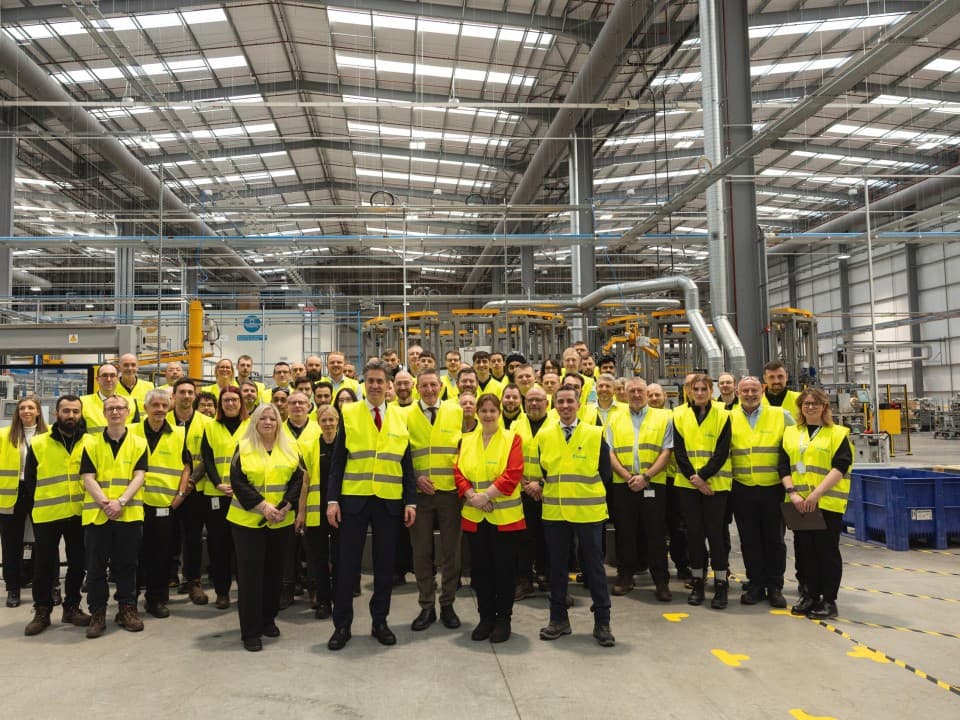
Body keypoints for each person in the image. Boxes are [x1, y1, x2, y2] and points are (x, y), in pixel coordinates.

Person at [325, 359, 417, 651]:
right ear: (363, 384)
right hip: (354, 501)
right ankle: (342, 625)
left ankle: (380, 621)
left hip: (389, 502)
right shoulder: (349, 412)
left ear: (389, 385)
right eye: (371, 381)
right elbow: (338, 461)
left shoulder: (401, 417)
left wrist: (410, 501)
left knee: (385, 565)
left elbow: (407, 464)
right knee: (347, 566)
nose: (375, 386)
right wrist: (332, 500)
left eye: (380, 381)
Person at [536, 386, 615, 648]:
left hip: (587, 511)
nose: (565, 406)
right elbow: (544, 471)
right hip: (555, 511)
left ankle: (602, 621)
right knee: (557, 568)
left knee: (593, 568)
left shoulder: (595, 433)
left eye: (570, 401)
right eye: (560, 401)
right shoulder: (545, 436)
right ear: (554, 405)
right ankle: (558, 619)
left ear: (579, 404)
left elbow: (605, 473)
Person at [227, 403, 303, 651]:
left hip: (281, 521)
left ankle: (268, 620)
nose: (268, 422)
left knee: (274, 575)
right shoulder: (244, 447)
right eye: (263, 418)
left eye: (272, 418)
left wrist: (286, 506)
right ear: (255, 422)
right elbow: (237, 482)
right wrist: (262, 507)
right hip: (248, 523)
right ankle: (250, 631)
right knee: (250, 578)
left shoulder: (291, 448)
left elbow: (298, 478)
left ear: (279, 422)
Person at [454, 394, 524, 643]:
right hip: (475, 517)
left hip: (505, 518)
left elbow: (512, 474)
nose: (488, 415)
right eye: (483, 410)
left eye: (493, 410)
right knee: (481, 572)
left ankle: (503, 619)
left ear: (499, 412)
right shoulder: (467, 440)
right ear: (477, 413)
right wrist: (472, 495)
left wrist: (484, 496)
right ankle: (485, 618)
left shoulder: (511, 439)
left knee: (504, 571)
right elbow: (459, 472)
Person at [780, 388, 853, 620]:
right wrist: (793, 493)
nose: (810, 407)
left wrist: (816, 494)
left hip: (826, 503)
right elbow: (784, 466)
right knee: (804, 551)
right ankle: (809, 595)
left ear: (824, 406)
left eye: (815, 403)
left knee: (826, 552)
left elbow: (840, 467)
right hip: (799, 503)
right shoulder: (790, 432)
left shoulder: (838, 433)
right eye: (805, 403)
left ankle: (829, 600)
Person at [79, 395, 149, 638]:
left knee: (127, 566)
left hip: (128, 515)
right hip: (98, 516)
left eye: (120, 408)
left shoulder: (139, 443)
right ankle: (98, 613)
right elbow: (88, 477)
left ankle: (127, 609)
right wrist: (105, 503)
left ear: (128, 412)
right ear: (103, 412)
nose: (115, 412)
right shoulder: (91, 443)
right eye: (111, 408)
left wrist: (120, 502)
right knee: (95, 568)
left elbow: (139, 476)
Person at [22, 396, 90, 635]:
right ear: (56, 414)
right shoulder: (39, 443)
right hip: (47, 514)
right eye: (66, 411)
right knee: (44, 566)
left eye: (75, 411)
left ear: (81, 414)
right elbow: (30, 480)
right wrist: (37, 505)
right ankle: (42, 610)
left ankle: (72, 607)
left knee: (78, 564)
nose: (70, 415)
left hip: (79, 513)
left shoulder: (91, 442)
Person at [406, 369, 464, 633]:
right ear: (417, 388)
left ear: (441, 386)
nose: (429, 390)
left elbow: (465, 449)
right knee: (421, 553)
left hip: (450, 494)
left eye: (433, 385)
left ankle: (448, 603)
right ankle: (427, 605)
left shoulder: (456, 412)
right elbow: (402, 455)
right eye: (424, 386)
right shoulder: (406, 415)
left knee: (451, 551)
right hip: (420, 496)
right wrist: (416, 477)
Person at [608, 378, 674, 601]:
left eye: (640, 390)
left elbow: (667, 452)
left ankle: (661, 581)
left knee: (655, 534)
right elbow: (610, 453)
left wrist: (645, 477)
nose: (636, 394)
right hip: (623, 484)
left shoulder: (664, 417)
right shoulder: (614, 418)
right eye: (631, 391)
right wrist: (628, 477)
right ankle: (625, 576)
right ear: (625, 394)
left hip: (653, 483)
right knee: (625, 533)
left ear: (646, 393)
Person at [731, 376, 793, 608]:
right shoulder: (729, 418)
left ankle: (775, 586)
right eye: (745, 390)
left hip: (773, 488)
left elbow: (793, 448)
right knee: (749, 540)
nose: (749, 394)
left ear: (762, 390)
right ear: (738, 393)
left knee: (775, 540)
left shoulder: (780, 416)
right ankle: (755, 583)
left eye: (754, 390)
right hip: (742, 488)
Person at [673, 374, 732, 609]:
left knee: (716, 536)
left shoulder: (724, 415)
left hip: (716, 486)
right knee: (694, 535)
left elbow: (722, 451)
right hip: (689, 486)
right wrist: (695, 480)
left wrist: (703, 476)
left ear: (711, 390)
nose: (699, 393)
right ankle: (697, 582)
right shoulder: (678, 415)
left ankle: (720, 585)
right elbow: (679, 451)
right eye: (695, 389)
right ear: (689, 391)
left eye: (704, 389)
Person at [133, 390, 192, 619]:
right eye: (155, 405)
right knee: (133, 555)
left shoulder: (178, 433)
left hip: (163, 504)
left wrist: (180, 494)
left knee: (160, 556)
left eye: (164, 405)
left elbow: (186, 465)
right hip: (135, 503)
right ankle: (130, 600)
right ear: (146, 408)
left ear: (169, 408)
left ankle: (156, 599)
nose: (159, 409)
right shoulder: (133, 431)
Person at [200, 386, 249, 609]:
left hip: (244, 496)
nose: (230, 404)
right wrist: (218, 483)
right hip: (216, 494)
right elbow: (207, 459)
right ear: (220, 404)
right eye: (226, 400)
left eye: (234, 400)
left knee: (242, 547)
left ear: (241, 403)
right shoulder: (210, 427)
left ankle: (245, 591)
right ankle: (222, 593)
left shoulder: (251, 426)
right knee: (218, 546)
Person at [1, 396, 48, 608]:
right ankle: (13, 589)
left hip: (41, 492)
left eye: (31, 407)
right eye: (22, 408)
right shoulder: (4, 436)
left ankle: (50, 586)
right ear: (17, 413)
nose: (26, 411)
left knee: (46, 542)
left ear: (38, 412)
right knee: (11, 544)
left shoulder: (49, 436)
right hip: (12, 494)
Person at [168, 378, 211, 606]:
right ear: (173, 396)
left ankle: (193, 581)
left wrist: (191, 481)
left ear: (195, 396)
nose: (186, 396)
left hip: (196, 489)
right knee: (165, 537)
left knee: (193, 537)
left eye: (190, 392)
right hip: (165, 490)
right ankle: (166, 579)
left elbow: (208, 457)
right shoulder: (160, 419)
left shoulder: (206, 422)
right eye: (182, 392)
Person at [296, 404, 339, 620]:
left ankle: (340, 600)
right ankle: (323, 601)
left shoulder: (346, 445)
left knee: (340, 558)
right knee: (318, 559)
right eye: (324, 420)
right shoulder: (310, 446)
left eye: (332, 420)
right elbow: (304, 483)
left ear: (338, 421)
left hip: (341, 511)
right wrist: (301, 513)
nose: (328, 424)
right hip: (316, 511)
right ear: (318, 423)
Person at [511, 386, 552, 600]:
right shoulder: (516, 425)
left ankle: (546, 576)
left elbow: (562, 459)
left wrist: (542, 484)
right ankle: (524, 580)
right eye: (530, 400)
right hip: (523, 491)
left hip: (550, 492)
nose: (534, 404)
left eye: (538, 400)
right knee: (524, 539)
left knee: (549, 537)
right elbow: (508, 455)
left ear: (547, 402)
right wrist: (525, 483)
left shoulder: (556, 424)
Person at [116, 353, 155, 418]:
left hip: (142, 427)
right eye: (126, 365)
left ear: (137, 367)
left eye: (133, 365)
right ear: (119, 367)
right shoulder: (112, 388)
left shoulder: (149, 387)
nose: (130, 368)